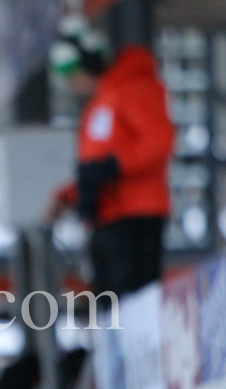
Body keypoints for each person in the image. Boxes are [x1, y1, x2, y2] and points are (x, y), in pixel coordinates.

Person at [47, 25, 174, 297]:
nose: (72, 85)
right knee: (110, 302)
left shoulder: (134, 88)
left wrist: (113, 167)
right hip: (107, 218)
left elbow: (158, 141)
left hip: (136, 215)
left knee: (133, 300)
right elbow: (95, 164)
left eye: (73, 75)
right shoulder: (98, 104)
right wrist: (69, 196)